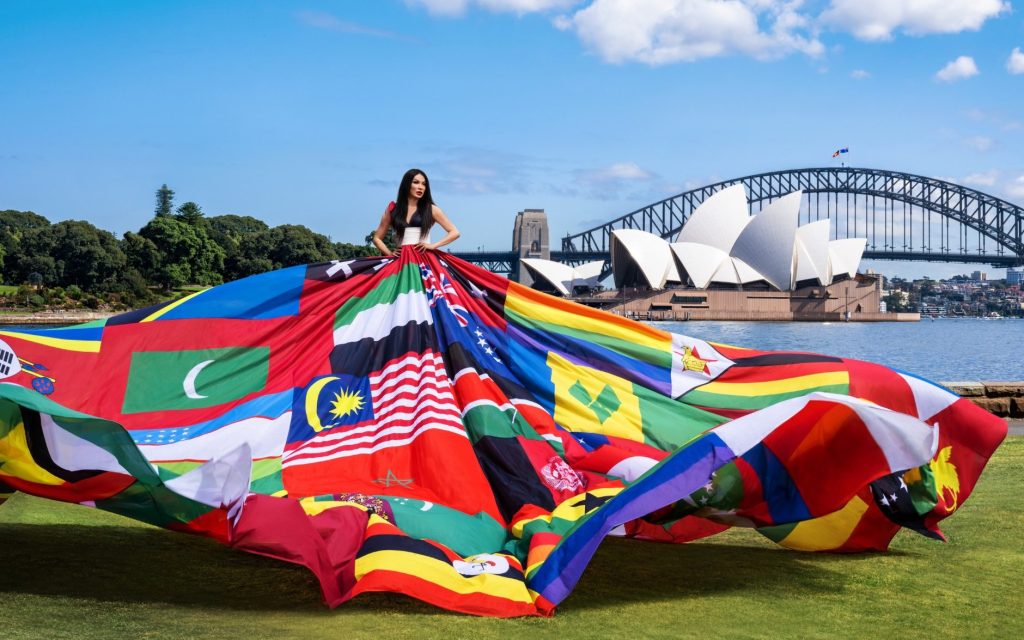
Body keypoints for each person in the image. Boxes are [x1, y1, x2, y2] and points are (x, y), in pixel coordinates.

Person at [372, 168, 460, 257]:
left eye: (424, 184)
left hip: (424, 259)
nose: (421, 187)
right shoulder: (393, 209)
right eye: (416, 182)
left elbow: (454, 232)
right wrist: (390, 253)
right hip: (401, 260)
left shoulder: (431, 209)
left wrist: (434, 245)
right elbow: (377, 238)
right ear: (406, 185)